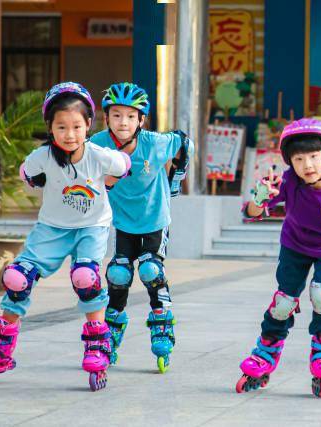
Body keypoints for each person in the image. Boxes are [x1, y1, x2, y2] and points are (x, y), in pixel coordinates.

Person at [0, 82, 130, 391]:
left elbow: (123, 165)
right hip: (51, 228)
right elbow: (27, 173)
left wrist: (117, 173)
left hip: (92, 227)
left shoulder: (99, 155)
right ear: (50, 127)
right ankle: (0, 347)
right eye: (61, 126)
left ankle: (97, 342)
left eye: (77, 126)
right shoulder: (42, 156)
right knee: (16, 278)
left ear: (89, 124)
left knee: (86, 277)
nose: (70, 133)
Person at [235, 118, 321, 398]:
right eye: (299, 159)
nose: (307, 165)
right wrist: (259, 200)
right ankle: (265, 352)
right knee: (283, 301)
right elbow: (252, 213)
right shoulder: (289, 181)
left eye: (313, 157)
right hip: (296, 244)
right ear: (290, 163)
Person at [90, 82, 193, 372]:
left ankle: (163, 327)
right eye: (117, 115)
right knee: (118, 273)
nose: (124, 122)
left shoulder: (155, 143)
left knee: (150, 269)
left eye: (131, 116)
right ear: (107, 117)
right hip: (124, 223)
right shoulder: (98, 144)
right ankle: (112, 328)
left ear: (141, 120)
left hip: (155, 221)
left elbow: (184, 142)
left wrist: (177, 177)